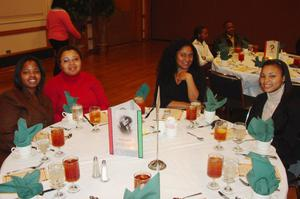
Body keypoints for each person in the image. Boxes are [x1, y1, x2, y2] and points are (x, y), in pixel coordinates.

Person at [246, 59, 300, 179]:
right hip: (259, 152)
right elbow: (249, 128)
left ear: (284, 78)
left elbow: (290, 142)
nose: (266, 81)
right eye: (263, 76)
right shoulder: (260, 99)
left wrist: (262, 152)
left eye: (272, 76)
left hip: (285, 160)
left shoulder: (295, 104)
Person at [0, 56, 53, 165]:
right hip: (18, 155)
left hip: (42, 151)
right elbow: (6, 135)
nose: (32, 75)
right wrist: (33, 149)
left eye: (36, 71)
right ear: (19, 76)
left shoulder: (43, 97)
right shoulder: (10, 97)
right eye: (26, 72)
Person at [44, 45, 109, 122]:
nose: (72, 63)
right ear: (60, 65)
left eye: (75, 59)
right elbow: (50, 113)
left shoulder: (91, 79)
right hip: (67, 126)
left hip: (93, 122)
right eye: (66, 60)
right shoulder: (52, 84)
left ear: (81, 61)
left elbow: (104, 104)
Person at [156, 39, 207, 109]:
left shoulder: (198, 73)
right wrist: (189, 106)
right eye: (182, 55)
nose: (187, 59)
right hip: (168, 115)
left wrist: (189, 78)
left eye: (190, 55)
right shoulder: (166, 72)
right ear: (174, 55)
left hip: (191, 116)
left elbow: (196, 101)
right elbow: (162, 101)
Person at [47, 0, 81, 76]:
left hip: (52, 39)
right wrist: (78, 36)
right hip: (61, 39)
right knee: (61, 58)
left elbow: (47, 27)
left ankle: (59, 75)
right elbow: (70, 28)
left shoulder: (50, 13)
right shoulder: (63, 13)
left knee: (59, 56)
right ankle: (57, 76)